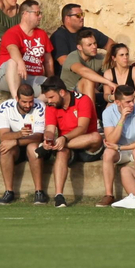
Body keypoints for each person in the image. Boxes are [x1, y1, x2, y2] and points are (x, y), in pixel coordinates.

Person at [40, 76, 103, 206]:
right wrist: (48, 138)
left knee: (96, 137)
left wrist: (63, 139)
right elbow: (50, 129)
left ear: (62, 92)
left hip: (87, 146)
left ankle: (57, 145)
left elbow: (82, 127)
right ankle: (59, 196)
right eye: (47, 98)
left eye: (51, 97)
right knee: (62, 152)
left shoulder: (83, 100)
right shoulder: (51, 106)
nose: (49, 101)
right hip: (67, 147)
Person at [0, 84, 49, 205]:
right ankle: (9, 191)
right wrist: (19, 134)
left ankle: (39, 192)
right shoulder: (5, 107)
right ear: (17, 98)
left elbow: (38, 136)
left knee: (33, 147)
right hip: (16, 148)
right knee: (5, 148)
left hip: (33, 145)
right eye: (24, 102)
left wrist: (15, 140)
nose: (28, 105)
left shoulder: (40, 106)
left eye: (30, 102)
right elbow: (3, 136)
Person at [100, 84, 135, 208]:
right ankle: (109, 195)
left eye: (132, 100)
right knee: (108, 153)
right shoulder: (108, 112)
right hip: (120, 149)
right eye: (128, 102)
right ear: (117, 102)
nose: (132, 104)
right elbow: (111, 140)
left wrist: (120, 148)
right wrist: (122, 119)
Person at [0, 0, 54, 100]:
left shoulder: (42, 34)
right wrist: (20, 62)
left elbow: (48, 61)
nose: (40, 16)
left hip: (31, 78)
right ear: (25, 14)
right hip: (8, 75)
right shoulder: (12, 32)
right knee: (13, 61)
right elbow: (12, 48)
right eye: (37, 13)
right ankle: (16, 100)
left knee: (54, 89)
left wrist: (52, 79)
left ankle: (34, 104)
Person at [51, 5, 110, 77]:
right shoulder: (58, 36)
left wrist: (109, 61)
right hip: (72, 79)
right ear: (67, 18)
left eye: (82, 14)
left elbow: (111, 45)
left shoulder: (89, 32)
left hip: (94, 75)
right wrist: (88, 71)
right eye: (78, 15)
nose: (82, 18)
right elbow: (64, 61)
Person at [60, 30, 116, 104]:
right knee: (88, 80)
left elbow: (111, 73)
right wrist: (108, 82)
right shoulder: (73, 57)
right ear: (80, 47)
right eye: (89, 45)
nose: (94, 47)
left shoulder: (99, 58)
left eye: (95, 43)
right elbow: (83, 71)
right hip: (70, 94)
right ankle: (91, 114)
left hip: (94, 92)